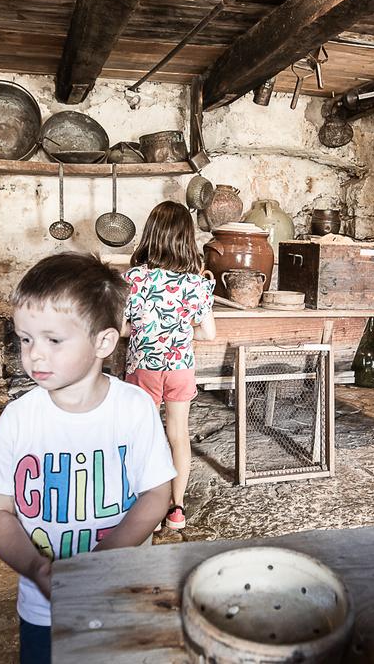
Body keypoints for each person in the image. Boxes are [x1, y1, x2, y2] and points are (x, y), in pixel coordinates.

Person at [0, 252, 175, 664]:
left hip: (123, 596)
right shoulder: (18, 419)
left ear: (103, 341)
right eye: (25, 338)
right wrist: (36, 569)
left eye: (53, 340)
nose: (34, 355)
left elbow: (157, 494)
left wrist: (104, 560)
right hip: (44, 609)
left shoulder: (134, 408)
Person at [121, 201, 216, 531]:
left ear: (151, 235)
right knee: (178, 435)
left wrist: (145, 327)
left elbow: (121, 329)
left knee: (142, 436)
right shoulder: (197, 283)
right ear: (186, 239)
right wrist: (180, 327)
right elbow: (209, 332)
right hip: (179, 367)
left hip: (144, 365)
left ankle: (145, 506)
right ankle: (176, 509)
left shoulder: (134, 279)